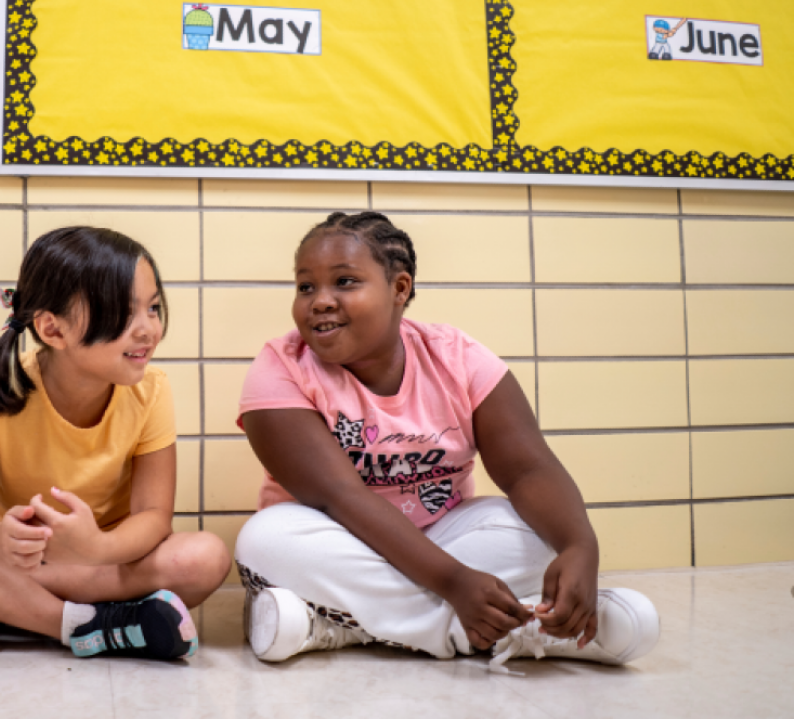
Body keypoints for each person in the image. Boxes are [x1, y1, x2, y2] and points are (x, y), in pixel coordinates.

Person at [234, 211, 659, 673]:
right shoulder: (280, 367)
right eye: (305, 287)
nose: (320, 301)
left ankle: (346, 624)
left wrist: (581, 547)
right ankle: (488, 630)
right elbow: (341, 497)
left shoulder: (458, 359)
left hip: (443, 537)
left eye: (344, 282)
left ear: (400, 289)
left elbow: (528, 470)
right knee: (266, 538)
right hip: (339, 538)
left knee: (532, 529)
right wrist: (455, 584)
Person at [0, 226, 230, 661]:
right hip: (13, 557)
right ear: (53, 329)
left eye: (153, 308)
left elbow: (153, 517)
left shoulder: (151, 391)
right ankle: (83, 625)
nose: (148, 328)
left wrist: (98, 548)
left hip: (100, 563)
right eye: (125, 313)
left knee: (206, 558)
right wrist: (0, 539)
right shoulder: (0, 391)